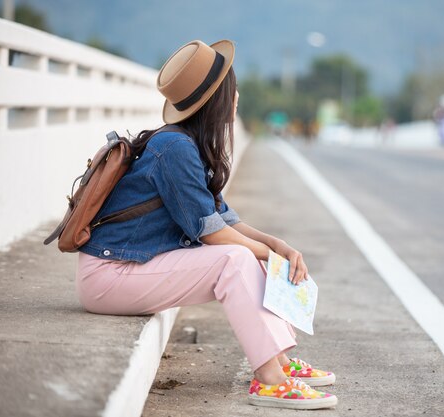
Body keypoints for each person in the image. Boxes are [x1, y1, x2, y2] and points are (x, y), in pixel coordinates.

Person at [75, 40, 338, 410]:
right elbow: (210, 233)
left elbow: (225, 218)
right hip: (109, 276)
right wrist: (271, 255)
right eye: (232, 88)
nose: (238, 96)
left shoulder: (187, 144)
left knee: (249, 255)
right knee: (235, 259)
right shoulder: (175, 148)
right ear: (218, 99)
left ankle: (277, 360)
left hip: (130, 268)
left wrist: (277, 246)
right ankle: (269, 380)